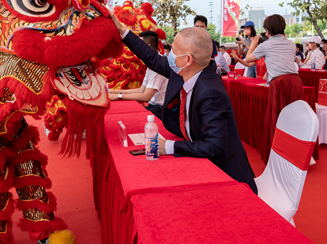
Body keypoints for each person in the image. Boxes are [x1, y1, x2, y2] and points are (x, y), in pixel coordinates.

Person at [109, 13, 258, 194]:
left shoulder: (210, 91)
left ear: (187, 59)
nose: (168, 55)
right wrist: (122, 30)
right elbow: (152, 58)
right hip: (199, 160)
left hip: (226, 175)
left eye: (173, 51)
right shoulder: (184, 72)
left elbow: (215, 146)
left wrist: (169, 147)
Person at [243, 14, 304, 162]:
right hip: (295, 81)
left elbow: (248, 59)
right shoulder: (291, 44)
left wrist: (253, 44)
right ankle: (297, 151)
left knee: (276, 118)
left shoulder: (266, 45)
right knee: (295, 117)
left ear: (267, 30)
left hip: (279, 83)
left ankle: (278, 153)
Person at [108, 31, 168, 115]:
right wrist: (113, 92)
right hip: (152, 106)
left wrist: (118, 96)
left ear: (147, 47)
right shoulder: (151, 64)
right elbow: (141, 90)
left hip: (159, 110)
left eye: (138, 45)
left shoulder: (158, 65)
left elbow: (146, 97)